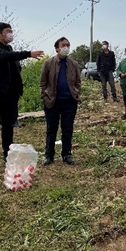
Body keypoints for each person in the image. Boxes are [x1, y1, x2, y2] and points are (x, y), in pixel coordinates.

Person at [0, 22, 44, 168]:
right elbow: (5, 57)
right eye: (8, 31)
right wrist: (28, 54)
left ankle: (7, 154)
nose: (11, 34)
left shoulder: (9, 49)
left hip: (10, 95)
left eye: (11, 31)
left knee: (8, 125)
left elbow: (15, 68)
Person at [40, 37, 81, 165]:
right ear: (57, 48)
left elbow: (78, 82)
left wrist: (76, 93)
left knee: (67, 129)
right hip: (52, 102)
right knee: (51, 129)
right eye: (63, 45)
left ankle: (67, 154)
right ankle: (49, 155)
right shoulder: (48, 63)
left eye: (68, 45)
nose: (66, 47)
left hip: (69, 102)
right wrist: (45, 97)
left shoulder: (73, 64)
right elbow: (43, 83)